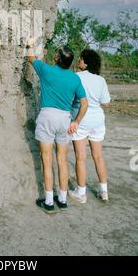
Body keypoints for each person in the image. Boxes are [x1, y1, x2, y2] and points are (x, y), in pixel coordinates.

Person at [27, 39, 88, 213]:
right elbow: (84, 104)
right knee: (62, 159)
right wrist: (76, 122)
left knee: (46, 160)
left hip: (47, 116)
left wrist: (30, 44)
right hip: (65, 119)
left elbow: (30, 58)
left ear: (56, 58)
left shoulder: (46, 70)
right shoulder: (75, 78)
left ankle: (48, 201)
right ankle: (62, 199)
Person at [69, 49, 111, 204]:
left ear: (86, 62)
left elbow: (70, 98)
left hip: (80, 120)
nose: (78, 61)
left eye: (80, 59)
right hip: (98, 121)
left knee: (80, 158)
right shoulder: (100, 80)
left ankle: (81, 193)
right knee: (98, 156)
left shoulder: (75, 77)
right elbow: (106, 103)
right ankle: (104, 191)